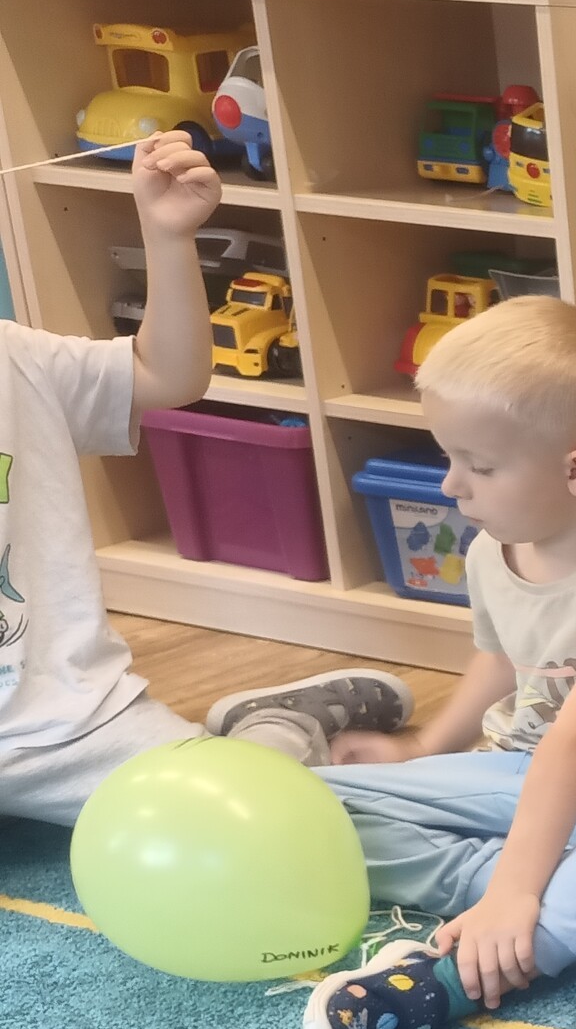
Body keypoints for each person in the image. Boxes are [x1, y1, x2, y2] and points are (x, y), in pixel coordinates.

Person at [235, 298, 576, 1029]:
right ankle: (543, 893)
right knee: (304, 805)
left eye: (479, 466)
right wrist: (423, 749)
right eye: (449, 458)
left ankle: (457, 978)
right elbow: (497, 663)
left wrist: (515, 894)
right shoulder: (495, 547)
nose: (452, 485)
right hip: (517, 773)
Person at [0, 133, 408, 822]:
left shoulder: (15, 358)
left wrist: (167, 235)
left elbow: (168, 374)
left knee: (254, 817)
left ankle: (277, 725)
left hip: (67, 727)